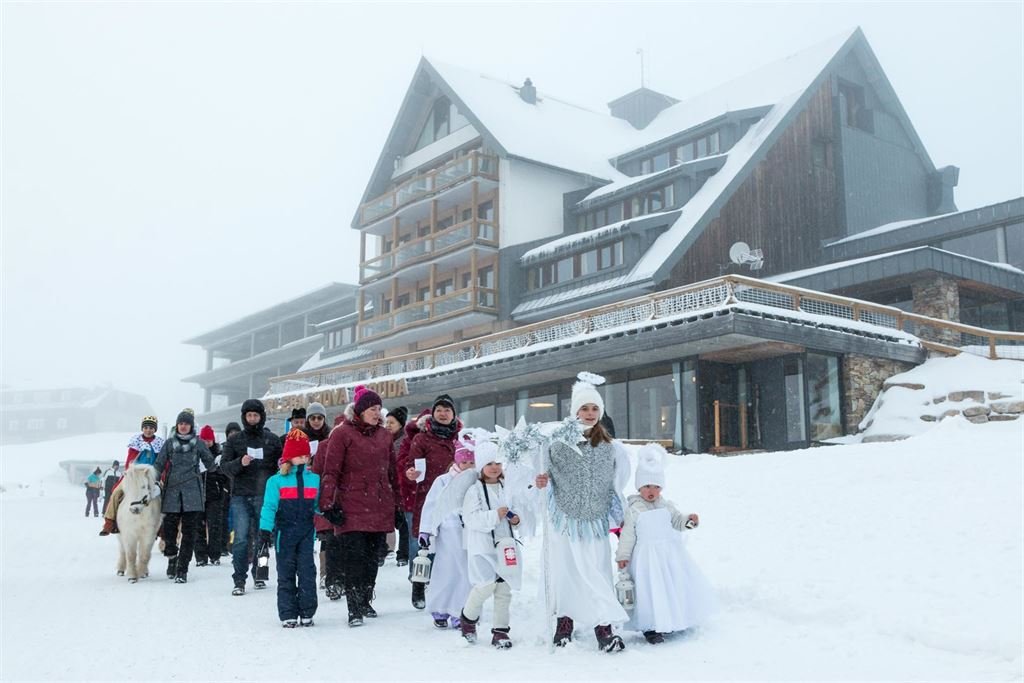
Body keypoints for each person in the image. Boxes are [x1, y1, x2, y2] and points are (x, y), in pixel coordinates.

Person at [534, 374, 630, 653]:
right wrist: (542, 481)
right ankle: (565, 622)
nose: (589, 414)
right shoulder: (556, 443)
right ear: (575, 411)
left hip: (595, 519)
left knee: (596, 570)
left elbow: (616, 481)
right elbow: (545, 475)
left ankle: (604, 627)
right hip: (565, 519)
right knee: (567, 571)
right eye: (584, 409)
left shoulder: (611, 447)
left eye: (594, 409)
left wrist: (615, 510)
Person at [615, 444, 715, 644]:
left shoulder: (666, 505)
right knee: (650, 592)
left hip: (668, 555)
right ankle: (650, 625)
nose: (651, 491)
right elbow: (627, 535)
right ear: (639, 487)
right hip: (646, 559)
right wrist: (623, 556)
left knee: (670, 587)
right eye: (646, 486)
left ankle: (674, 618)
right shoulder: (634, 509)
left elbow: (677, 521)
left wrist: (689, 521)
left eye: (656, 486)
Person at [318, 385, 399, 627]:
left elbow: (392, 473)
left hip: (379, 503)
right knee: (353, 557)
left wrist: (397, 505)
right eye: (372, 409)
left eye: (379, 409)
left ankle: (365, 599)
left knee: (372, 557)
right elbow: (331, 471)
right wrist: (329, 503)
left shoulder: (385, 436)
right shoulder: (342, 434)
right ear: (361, 410)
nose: (377, 413)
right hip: (351, 504)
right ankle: (353, 606)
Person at [399, 394, 461, 609]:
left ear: (454, 414)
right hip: (427, 497)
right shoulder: (422, 438)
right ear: (433, 414)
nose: (443, 414)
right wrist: (411, 473)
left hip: (456, 499)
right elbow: (411, 465)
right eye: (439, 410)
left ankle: (446, 587)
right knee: (422, 545)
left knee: (451, 545)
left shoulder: (461, 438)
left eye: (447, 410)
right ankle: (418, 585)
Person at [458, 443, 521, 648]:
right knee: (486, 584)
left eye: (498, 463)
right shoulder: (474, 491)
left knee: (504, 588)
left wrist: (517, 520)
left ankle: (500, 631)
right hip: (483, 545)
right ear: (481, 466)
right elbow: (471, 518)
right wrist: (495, 515)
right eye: (489, 463)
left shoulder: (508, 488)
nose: (494, 467)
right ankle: (468, 618)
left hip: (506, 544)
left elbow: (519, 511)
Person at [259, 429, 322, 628]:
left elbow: (318, 505)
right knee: (286, 573)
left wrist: (330, 511)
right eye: (299, 454)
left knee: (307, 572)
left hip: (306, 533)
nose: (304, 457)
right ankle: (288, 612)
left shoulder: (314, 479)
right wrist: (265, 530)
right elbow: (269, 507)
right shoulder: (276, 481)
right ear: (289, 456)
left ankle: (307, 610)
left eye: (306, 454)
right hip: (284, 534)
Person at [220, 399, 282, 596]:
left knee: (263, 538)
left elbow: (281, 465)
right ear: (244, 417)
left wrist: (282, 465)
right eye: (249, 415)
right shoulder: (235, 440)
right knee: (240, 539)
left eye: (256, 415)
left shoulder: (272, 440)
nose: (253, 419)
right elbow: (225, 467)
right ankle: (239, 579)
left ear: (261, 417)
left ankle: (260, 573)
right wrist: (241, 462)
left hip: (264, 496)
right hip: (240, 496)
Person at [152, 410, 215, 584]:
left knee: (189, 533)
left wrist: (216, 463)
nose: (183, 426)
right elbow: (159, 464)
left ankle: (182, 569)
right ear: (177, 425)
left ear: (191, 425)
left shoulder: (199, 443)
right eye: (181, 423)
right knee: (170, 533)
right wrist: (153, 482)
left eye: (186, 423)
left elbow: (210, 463)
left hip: (192, 493)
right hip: (172, 491)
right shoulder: (169, 443)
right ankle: (172, 557)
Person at [419, 435, 475, 630]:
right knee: (445, 572)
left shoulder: (477, 480)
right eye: (464, 461)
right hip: (448, 533)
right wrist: (426, 530)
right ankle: (440, 607)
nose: (468, 465)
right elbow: (431, 505)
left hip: (470, 533)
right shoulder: (443, 481)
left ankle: (462, 610)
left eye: (471, 462)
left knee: (466, 574)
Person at [99, 416, 165, 535]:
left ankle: (161, 526)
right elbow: (130, 460)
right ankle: (110, 521)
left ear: (154, 429)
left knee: (164, 496)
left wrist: (160, 475)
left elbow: (162, 461)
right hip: (134, 475)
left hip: (152, 476)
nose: (148, 430)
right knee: (116, 493)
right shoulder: (136, 442)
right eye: (145, 427)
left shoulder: (160, 443)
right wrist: (131, 471)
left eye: (151, 428)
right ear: (142, 428)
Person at [305, 402, 341, 596]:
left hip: (328, 489)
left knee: (330, 535)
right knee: (313, 535)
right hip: (305, 488)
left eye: (319, 418)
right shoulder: (300, 437)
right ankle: (316, 572)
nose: (316, 421)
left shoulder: (332, 436)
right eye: (313, 418)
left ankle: (329, 574)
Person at [194, 425, 230, 567]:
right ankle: (200, 556)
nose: (207, 443)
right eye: (204, 440)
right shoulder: (196, 454)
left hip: (214, 495)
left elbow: (225, 473)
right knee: (198, 526)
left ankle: (215, 554)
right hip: (197, 494)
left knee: (215, 525)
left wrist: (221, 485)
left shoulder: (219, 455)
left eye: (209, 440)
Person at [382, 405, 409, 566]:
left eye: (391, 422)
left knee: (403, 522)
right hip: (385, 487)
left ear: (400, 424)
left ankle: (403, 554)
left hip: (401, 487)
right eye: (387, 422)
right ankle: (382, 550)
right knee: (384, 521)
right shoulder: (383, 439)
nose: (388, 425)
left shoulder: (404, 442)